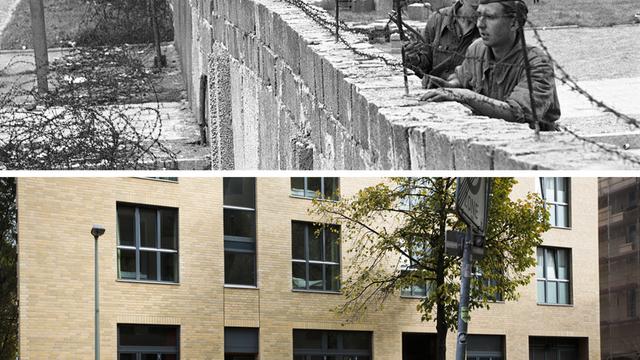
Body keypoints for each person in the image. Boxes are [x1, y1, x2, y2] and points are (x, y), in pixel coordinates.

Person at [419, 0, 560, 131]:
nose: (480, 24)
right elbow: (462, 79)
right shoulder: (477, 49)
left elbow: (518, 113)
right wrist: (447, 85)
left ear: (514, 23)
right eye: (479, 15)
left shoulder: (537, 63)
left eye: (490, 17)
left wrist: (466, 95)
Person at [403, 0, 481, 79]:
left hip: (467, 90)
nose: (480, 12)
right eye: (475, 8)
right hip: (435, 87)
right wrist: (414, 59)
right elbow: (424, 65)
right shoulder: (438, 20)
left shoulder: (487, 29)